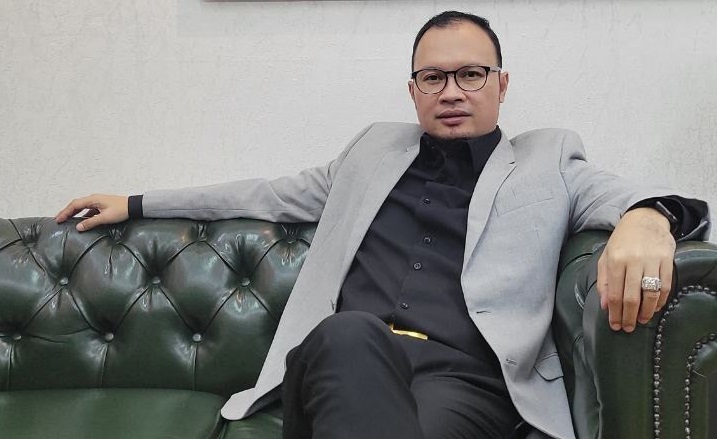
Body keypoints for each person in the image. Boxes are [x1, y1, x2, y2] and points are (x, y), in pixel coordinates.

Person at [55, 11, 709, 439]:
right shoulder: (371, 150)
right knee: (348, 333)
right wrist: (135, 202)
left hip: (464, 382)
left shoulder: (549, 158)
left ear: (501, 84)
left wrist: (648, 220)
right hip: (340, 362)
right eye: (433, 77)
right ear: (413, 90)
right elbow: (267, 194)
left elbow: (649, 199)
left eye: (470, 74)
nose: (451, 91)